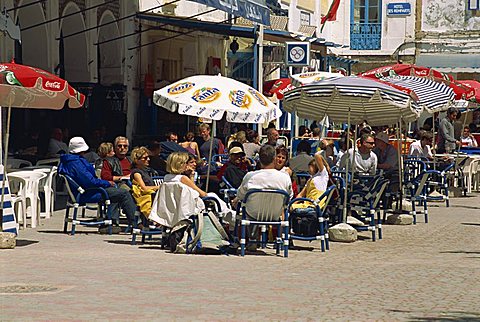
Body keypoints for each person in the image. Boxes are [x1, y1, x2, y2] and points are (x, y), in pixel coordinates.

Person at [58, 137, 137, 233]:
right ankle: (135, 224)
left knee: (116, 192)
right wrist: (107, 183)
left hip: (82, 191)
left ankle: (111, 223)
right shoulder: (76, 163)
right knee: (123, 193)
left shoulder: (68, 161)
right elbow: (90, 181)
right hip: (87, 193)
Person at [232, 145, 293, 250]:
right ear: (274, 158)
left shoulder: (250, 176)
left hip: (253, 213)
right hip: (275, 213)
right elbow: (289, 197)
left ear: (259, 159)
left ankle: (252, 240)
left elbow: (240, 195)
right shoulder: (284, 177)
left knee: (245, 206)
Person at [130, 147, 159, 220]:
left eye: (148, 157)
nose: (148, 159)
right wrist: (158, 187)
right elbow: (143, 188)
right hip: (146, 196)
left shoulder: (146, 171)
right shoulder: (137, 173)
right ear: (137, 160)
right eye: (145, 158)